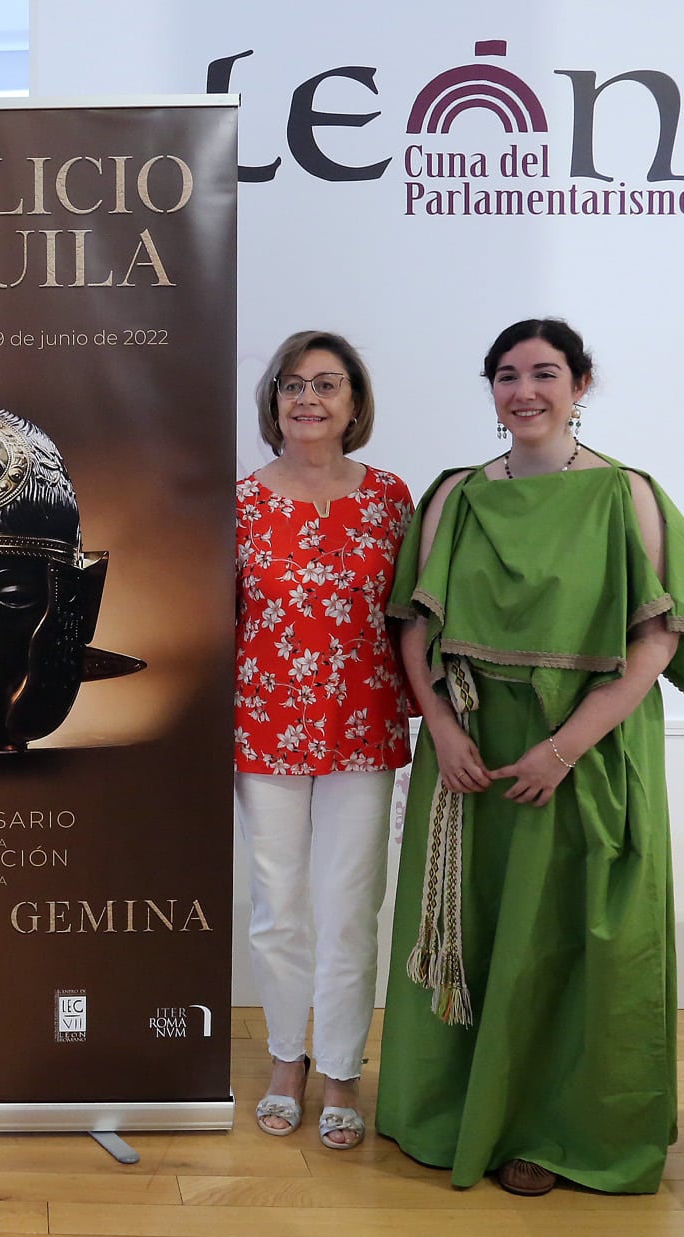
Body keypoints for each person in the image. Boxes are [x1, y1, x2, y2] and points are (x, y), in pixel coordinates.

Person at [375, 318, 684, 1196]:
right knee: (472, 927)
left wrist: (560, 748)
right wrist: (445, 728)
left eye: (545, 373)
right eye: (506, 375)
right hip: (471, 749)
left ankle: (554, 1131)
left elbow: (656, 642)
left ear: (582, 384)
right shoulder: (455, 495)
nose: (525, 391)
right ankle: (457, 1109)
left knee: (569, 940)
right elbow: (417, 631)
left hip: (585, 751)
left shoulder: (628, 493)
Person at [235, 331, 414, 1150]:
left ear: (354, 404)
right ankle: (286, 1056)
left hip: (364, 724)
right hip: (264, 725)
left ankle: (342, 1065)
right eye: (292, 385)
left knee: (349, 907)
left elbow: (410, 617)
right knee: (279, 909)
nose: (307, 399)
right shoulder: (237, 502)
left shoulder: (389, 499)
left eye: (326, 385)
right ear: (274, 403)